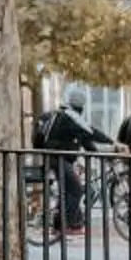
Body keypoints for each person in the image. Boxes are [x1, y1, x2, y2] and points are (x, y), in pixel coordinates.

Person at [37, 89, 111, 229]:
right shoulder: (69, 116)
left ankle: (61, 224)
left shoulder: (66, 116)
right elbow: (90, 131)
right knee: (76, 189)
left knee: (67, 191)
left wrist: (100, 156)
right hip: (58, 158)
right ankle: (67, 224)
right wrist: (113, 143)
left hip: (58, 158)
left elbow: (85, 140)